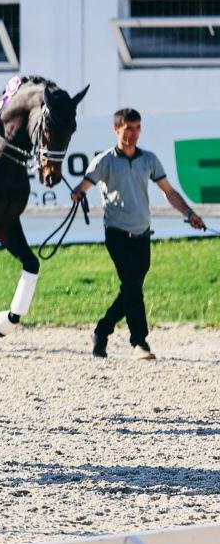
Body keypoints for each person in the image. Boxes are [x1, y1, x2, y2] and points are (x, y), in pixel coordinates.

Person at [72, 109, 205, 360]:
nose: (133, 134)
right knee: (132, 286)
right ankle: (139, 342)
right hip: (117, 233)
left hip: (143, 234)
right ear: (116, 129)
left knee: (131, 288)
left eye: (137, 128)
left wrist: (189, 214)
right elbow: (85, 185)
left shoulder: (149, 160)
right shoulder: (105, 161)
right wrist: (78, 192)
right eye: (128, 129)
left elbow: (168, 191)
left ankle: (102, 330)